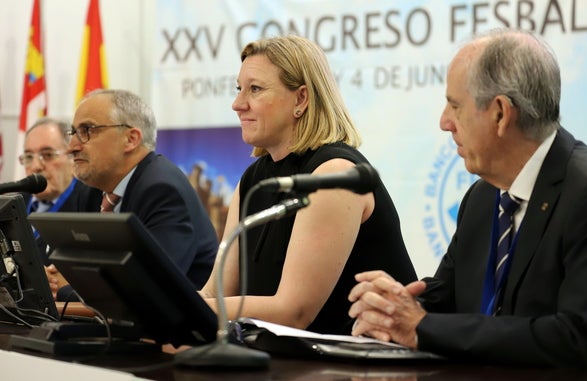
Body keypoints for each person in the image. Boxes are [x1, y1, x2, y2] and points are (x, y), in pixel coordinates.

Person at [348, 28, 587, 369]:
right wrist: (394, 305)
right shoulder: (482, 196)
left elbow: (579, 337)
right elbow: (448, 298)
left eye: (454, 105)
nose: (444, 122)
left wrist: (421, 326)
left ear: (499, 113)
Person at [199, 35, 417, 335]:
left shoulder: (334, 173)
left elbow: (294, 312)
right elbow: (215, 293)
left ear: (301, 99)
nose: (238, 104)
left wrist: (184, 310)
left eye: (255, 89)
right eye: (239, 89)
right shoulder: (253, 179)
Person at [53, 89, 219, 298]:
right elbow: (82, 268)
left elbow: (148, 288)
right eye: (73, 133)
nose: (72, 147)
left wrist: (64, 290)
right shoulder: (91, 192)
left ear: (131, 139)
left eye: (87, 130)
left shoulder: (162, 191)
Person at [19, 117, 102, 266]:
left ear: (72, 157)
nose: (36, 166)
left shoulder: (93, 203)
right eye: (29, 157)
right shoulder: (15, 203)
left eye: (48, 155)